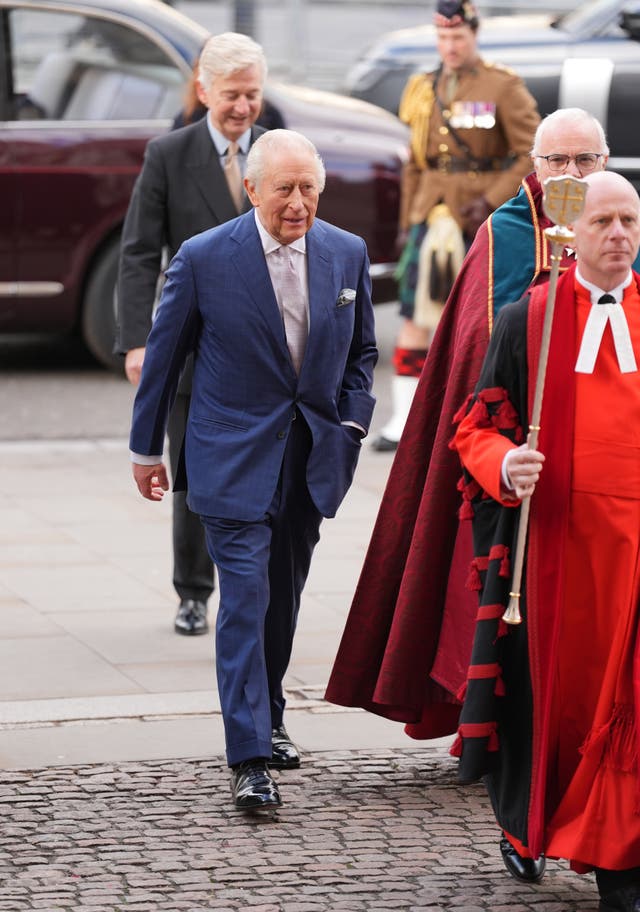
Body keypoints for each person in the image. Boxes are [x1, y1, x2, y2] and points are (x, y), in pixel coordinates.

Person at [325, 107, 610, 883]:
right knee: (517, 652)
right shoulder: (503, 238)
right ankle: (520, 807)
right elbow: (479, 369)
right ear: (535, 166)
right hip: (512, 483)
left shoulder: (619, 234)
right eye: (560, 162)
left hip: (607, 501)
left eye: (588, 159)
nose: (574, 177)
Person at [128, 129, 377, 811]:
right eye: (285, 190)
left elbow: (362, 355)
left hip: (311, 457)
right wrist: (145, 449)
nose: (298, 204)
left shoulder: (346, 253)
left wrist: (353, 425)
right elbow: (165, 355)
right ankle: (249, 756)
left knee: (283, 598)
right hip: (230, 457)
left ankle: (268, 712)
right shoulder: (206, 258)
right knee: (244, 600)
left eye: (310, 191)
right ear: (251, 188)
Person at [450, 169, 640, 912]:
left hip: (635, 555)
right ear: (574, 232)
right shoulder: (528, 321)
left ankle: (622, 862)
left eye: (629, 222)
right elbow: (473, 427)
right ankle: (539, 827)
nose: (619, 237)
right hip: (561, 556)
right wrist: (506, 462)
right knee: (564, 709)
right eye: (604, 224)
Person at [116, 32, 268, 637]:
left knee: (263, 474)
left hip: (264, 348)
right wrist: (137, 340)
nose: (242, 107)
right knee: (193, 475)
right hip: (193, 347)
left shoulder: (277, 154)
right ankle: (193, 592)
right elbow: (137, 254)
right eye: (231, 94)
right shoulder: (168, 156)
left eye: (252, 94)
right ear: (204, 91)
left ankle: (253, 587)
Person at [372, 0, 539, 452]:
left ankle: (471, 415)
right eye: (443, 38)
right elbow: (416, 162)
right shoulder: (423, 87)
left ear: (473, 35)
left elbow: (531, 150)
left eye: (458, 37)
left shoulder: (502, 86)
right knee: (412, 315)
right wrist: (409, 219)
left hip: (478, 217)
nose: (450, 46)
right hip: (431, 214)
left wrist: (492, 199)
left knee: (475, 316)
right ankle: (404, 421)